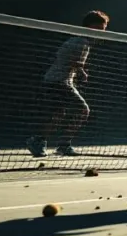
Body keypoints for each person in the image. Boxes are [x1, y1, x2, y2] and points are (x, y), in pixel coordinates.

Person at [26, 10, 110, 157]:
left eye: (104, 30)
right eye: (100, 29)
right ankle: (57, 144)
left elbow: (61, 56)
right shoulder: (82, 42)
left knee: (58, 113)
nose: (102, 32)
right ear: (90, 27)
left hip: (57, 80)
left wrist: (78, 71)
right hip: (58, 82)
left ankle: (46, 142)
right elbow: (73, 61)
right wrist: (81, 71)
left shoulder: (77, 41)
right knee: (83, 110)